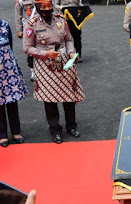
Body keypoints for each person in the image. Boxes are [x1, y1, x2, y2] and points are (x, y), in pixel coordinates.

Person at [23, 0, 85, 144]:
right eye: (43, 7)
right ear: (37, 7)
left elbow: (68, 40)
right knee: (50, 99)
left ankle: (72, 126)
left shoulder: (61, 19)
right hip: (45, 64)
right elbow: (27, 48)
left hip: (64, 61)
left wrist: (71, 53)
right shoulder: (32, 24)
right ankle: (55, 130)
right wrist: (45, 54)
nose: (47, 9)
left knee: (69, 95)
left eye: (49, 6)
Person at [0, 19, 29, 148]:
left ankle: (16, 132)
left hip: (7, 69)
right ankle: (2, 135)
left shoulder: (5, 25)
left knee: (12, 101)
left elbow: (10, 46)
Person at [15, 0, 35, 81]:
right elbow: (18, 15)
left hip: (40, 25)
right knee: (30, 49)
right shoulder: (20, 1)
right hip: (28, 28)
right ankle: (33, 71)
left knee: (42, 47)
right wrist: (19, 29)